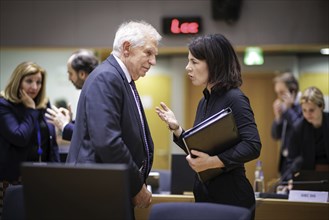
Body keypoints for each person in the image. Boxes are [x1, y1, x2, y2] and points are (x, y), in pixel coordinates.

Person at [155, 34, 261, 217]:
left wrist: (212, 162)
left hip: (232, 197)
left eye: (194, 62)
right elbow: (200, 147)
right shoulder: (204, 102)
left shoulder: (236, 98)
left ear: (214, 63)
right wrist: (177, 129)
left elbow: (253, 145)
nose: (188, 67)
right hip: (205, 194)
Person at [66, 20, 162, 215]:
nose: (153, 61)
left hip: (107, 187)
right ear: (127, 48)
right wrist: (136, 185)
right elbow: (107, 142)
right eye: (148, 53)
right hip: (97, 192)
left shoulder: (120, 78)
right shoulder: (107, 77)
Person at [0, 61, 60, 215]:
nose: (34, 87)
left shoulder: (43, 104)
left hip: (41, 177)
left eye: (38, 82)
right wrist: (30, 110)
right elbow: (20, 137)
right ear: (17, 81)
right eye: (29, 81)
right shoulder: (4, 104)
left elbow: (50, 140)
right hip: (11, 180)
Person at [45, 49, 99, 141]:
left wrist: (65, 125)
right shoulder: (91, 92)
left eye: (70, 73)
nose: (69, 78)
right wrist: (70, 122)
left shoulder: (96, 95)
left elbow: (93, 136)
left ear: (82, 74)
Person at [288, 86, 329, 173]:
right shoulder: (298, 128)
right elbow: (292, 159)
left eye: (311, 110)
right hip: (308, 174)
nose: (307, 114)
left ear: (321, 106)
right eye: (304, 110)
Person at [271, 72, 303, 177]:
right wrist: (278, 118)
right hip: (285, 161)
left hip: (298, 161)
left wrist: (288, 110)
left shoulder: (304, 106)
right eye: (277, 93)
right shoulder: (284, 110)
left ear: (292, 91)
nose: (279, 97)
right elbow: (275, 136)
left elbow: (300, 130)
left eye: (281, 93)